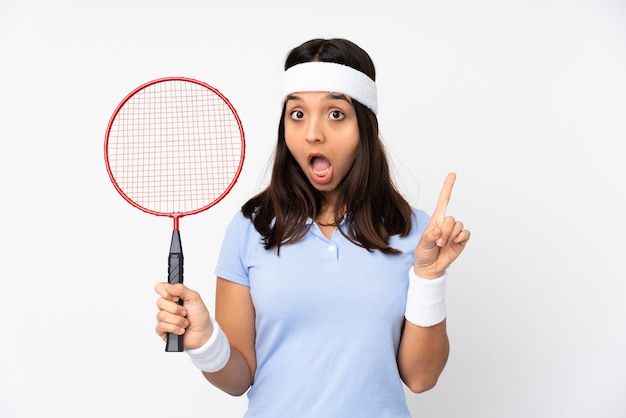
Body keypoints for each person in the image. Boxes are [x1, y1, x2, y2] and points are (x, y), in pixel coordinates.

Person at [155, 38, 470, 417]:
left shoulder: (416, 231)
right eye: (297, 114)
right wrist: (205, 341)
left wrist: (429, 275)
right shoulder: (250, 228)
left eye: (336, 114)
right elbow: (240, 378)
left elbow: (421, 378)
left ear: (364, 126)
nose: (312, 134)